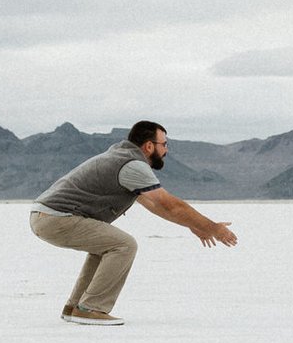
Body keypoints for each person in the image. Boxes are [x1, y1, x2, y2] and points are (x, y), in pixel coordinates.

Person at [28, 121, 237, 326]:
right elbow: (168, 203)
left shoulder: (121, 158)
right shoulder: (132, 165)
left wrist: (194, 225)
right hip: (56, 217)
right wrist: (213, 228)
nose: (166, 150)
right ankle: (90, 309)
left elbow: (154, 205)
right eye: (164, 144)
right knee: (123, 245)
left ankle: (75, 307)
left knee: (106, 247)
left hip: (45, 216)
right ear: (149, 146)